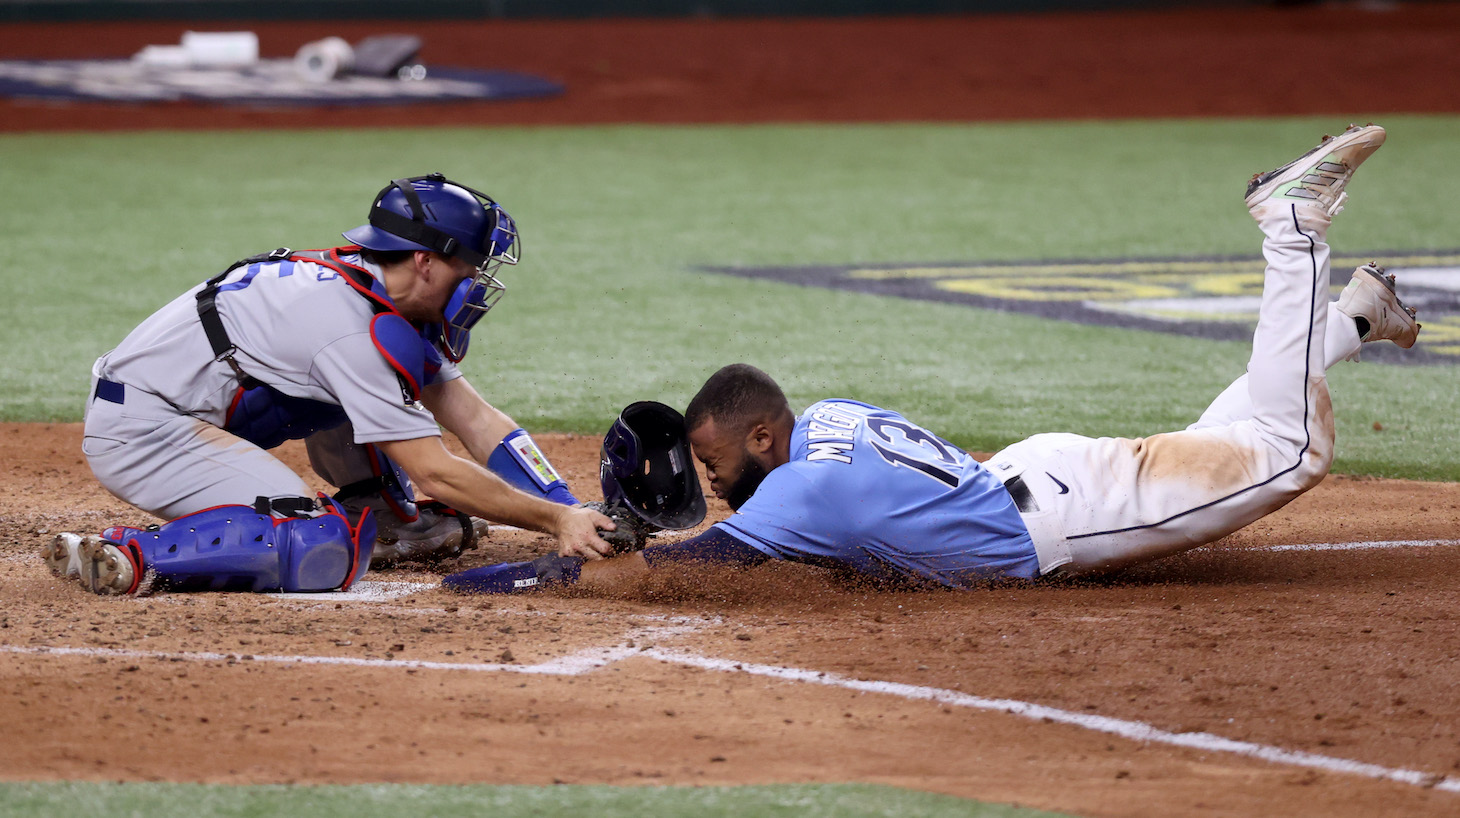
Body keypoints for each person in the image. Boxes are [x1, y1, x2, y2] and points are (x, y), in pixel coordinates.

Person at [443, 123, 1420, 595]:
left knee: (1282, 449)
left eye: (716, 461)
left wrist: (512, 571)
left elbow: (679, 572)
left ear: (760, 434)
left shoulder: (799, 494)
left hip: (1065, 506)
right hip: (1039, 479)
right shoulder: (827, 412)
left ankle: (1292, 231)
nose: (714, 478)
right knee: (1229, 436)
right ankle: (1352, 320)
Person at [46, 173, 618, 595]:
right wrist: (553, 522)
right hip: (145, 431)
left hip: (189, 410)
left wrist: (570, 510)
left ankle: (381, 510)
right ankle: (126, 554)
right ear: (424, 261)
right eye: (469, 265)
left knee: (368, 416)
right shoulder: (347, 328)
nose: (476, 280)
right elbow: (434, 469)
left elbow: (476, 418)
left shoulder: (379, 295)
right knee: (317, 542)